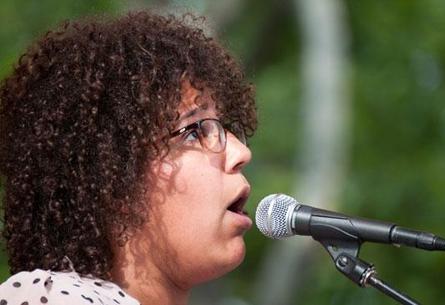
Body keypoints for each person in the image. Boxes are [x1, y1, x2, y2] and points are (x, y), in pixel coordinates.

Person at [0, 11, 257, 305]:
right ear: (112, 179)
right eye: (193, 132)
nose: (241, 153)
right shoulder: (49, 296)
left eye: (225, 128)